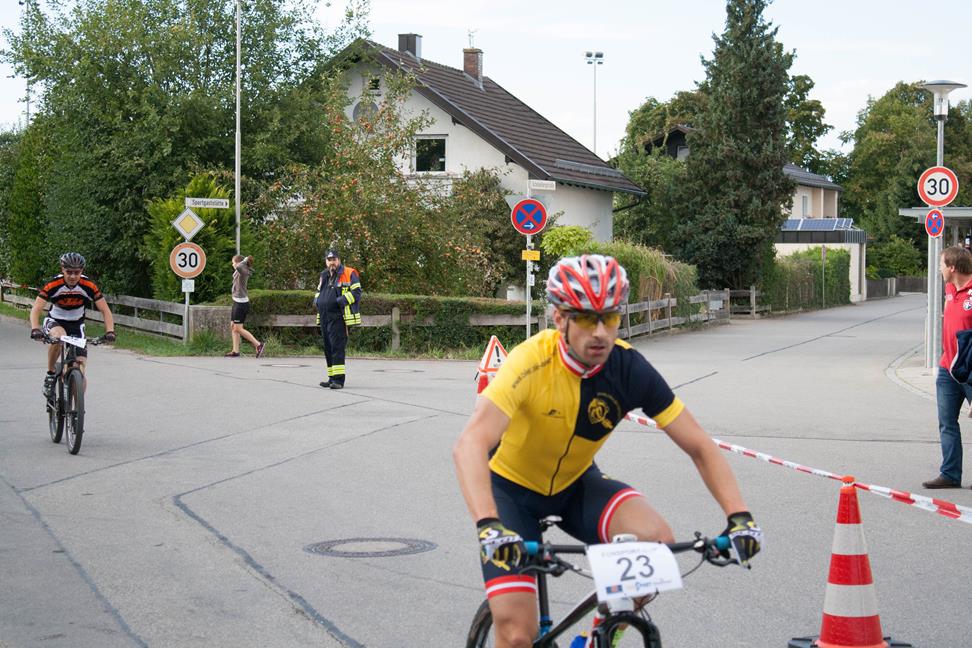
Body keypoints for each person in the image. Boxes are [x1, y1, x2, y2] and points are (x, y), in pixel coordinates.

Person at [453, 254, 762, 648]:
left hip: (575, 485)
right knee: (516, 635)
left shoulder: (629, 368)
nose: (600, 332)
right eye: (586, 318)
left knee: (656, 544)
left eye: (610, 317)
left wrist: (739, 517)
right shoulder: (530, 361)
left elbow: (700, 446)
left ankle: (601, 636)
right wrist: (488, 525)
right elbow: (470, 445)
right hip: (509, 492)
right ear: (560, 318)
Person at [29, 252, 116, 397]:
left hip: (76, 324)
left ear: (82, 271)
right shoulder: (54, 284)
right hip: (56, 320)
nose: (73, 276)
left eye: (77, 272)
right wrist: (35, 329)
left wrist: (110, 331)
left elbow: (105, 310)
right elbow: (36, 308)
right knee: (59, 337)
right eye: (69, 272)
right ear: (62, 270)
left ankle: (76, 407)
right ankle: (50, 373)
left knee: (80, 367)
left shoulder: (88, 285)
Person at [923, 245, 972, 489]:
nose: (940, 269)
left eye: (942, 264)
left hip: (970, 371)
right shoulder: (950, 288)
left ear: (952, 267)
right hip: (947, 369)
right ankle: (950, 474)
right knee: (947, 422)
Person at [314, 249, 361, 390]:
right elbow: (319, 292)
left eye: (334, 259)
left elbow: (357, 292)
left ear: (339, 260)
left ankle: (339, 380)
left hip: (339, 316)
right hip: (324, 316)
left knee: (337, 348)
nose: (332, 262)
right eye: (329, 260)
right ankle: (331, 378)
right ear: (326, 261)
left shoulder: (349, 272)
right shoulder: (324, 275)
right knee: (328, 348)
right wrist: (317, 301)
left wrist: (340, 301)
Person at [225, 254, 264, 358]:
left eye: (233, 263)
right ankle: (235, 351)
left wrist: (244, 261)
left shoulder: (243, 271)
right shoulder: (240, 270)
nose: (232, 265)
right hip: (236, 302)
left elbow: (238, 267)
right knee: (233, 326)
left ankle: (258, 344)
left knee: (238, 328)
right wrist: (242, 262)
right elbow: (238, 267)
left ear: (238, 263)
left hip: (241, 304)